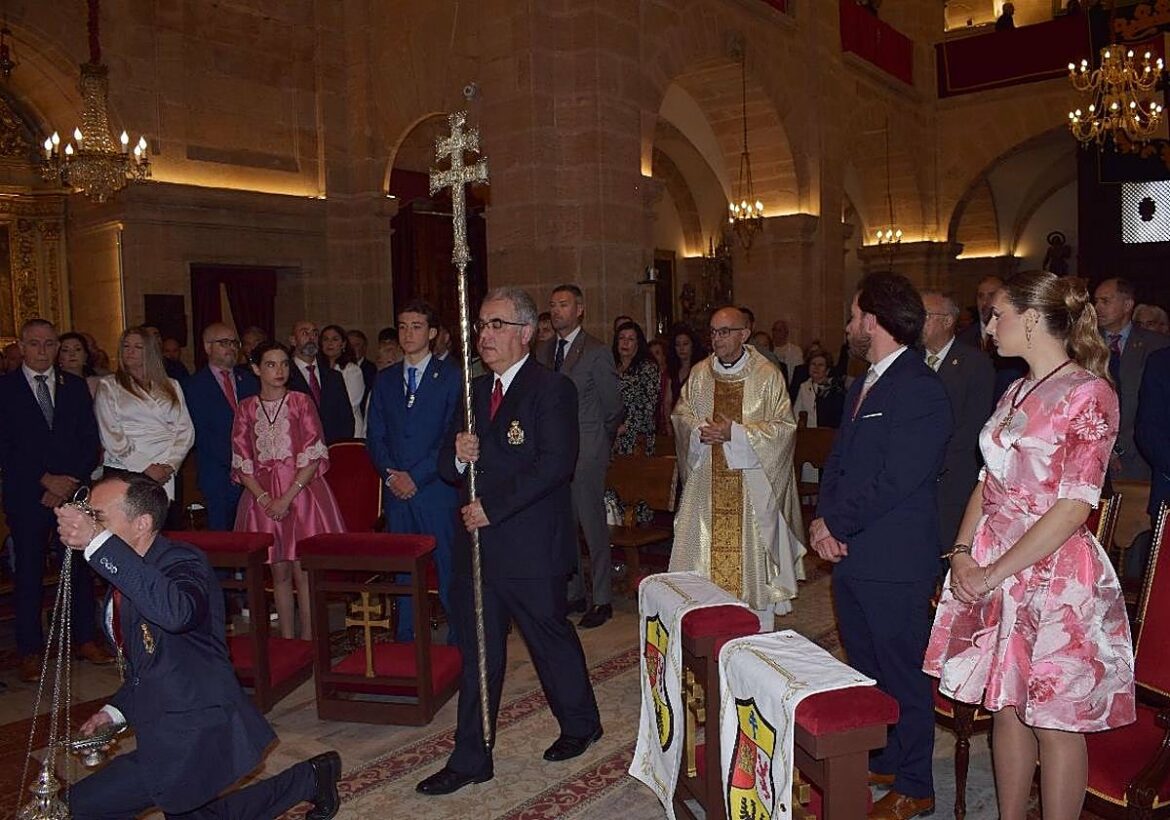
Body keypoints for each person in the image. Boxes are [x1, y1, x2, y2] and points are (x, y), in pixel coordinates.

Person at [925, 272, 1135, 820]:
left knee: (1053, 719)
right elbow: (986, 480)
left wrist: (991, 572)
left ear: (1034, 319)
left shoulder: (1090, 392)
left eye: (998, 315)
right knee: (1007, 707)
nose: (989, 326)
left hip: (1054, 570)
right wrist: (963, 553)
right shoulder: (1016, 389)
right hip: (995, 561)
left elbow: (1073, 507)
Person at [56, 473, 342, 820]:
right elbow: (151, 665)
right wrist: (114, 713)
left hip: (198, 730)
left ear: (142, 523)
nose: (90, 525)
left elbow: (175, 613)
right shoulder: (125, 573)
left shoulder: (183, 562)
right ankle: (311, 778)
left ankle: (310, 778)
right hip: (165, 726)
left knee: (73, 808)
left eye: (98, 518)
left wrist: (99, 543)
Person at [416, 287, 602, 796]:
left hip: (530, 545)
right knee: (480, 652)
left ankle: (581, 723)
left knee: (548, 640)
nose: (484, 335)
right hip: (479, 549)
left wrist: (492, 508)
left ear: (524, 333)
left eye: (496, 324)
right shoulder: (472, 392)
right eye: (480, 325)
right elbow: (444, 466)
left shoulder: (551, 390)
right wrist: (458, 455)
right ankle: (472, 756)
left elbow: (554, 466)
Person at [811, 272, 952, 820]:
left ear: (874, 320)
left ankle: (917, 783)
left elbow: (898, 479)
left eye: (852, 316)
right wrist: (822, 519)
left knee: (904, 672)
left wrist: (837, 525)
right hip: (853, 552)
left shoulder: (919, 388)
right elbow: (840, 462)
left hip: (893, 558)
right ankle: (891, 755)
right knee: (866, 665)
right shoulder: (864, 382)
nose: (848, 326)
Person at [670, 306, 804, 626]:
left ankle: (756, 622)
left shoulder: (766, 374)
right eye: (713, 332)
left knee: (752, 557)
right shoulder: (701, 374)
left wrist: (736, 433)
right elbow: (681, 416)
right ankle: (706, 625)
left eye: (725, 332)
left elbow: (784, 428)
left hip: (751, 489)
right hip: (707, 486)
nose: (717, 339)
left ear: (744, 334)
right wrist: (699, 430)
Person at [0, 318, 111, 683]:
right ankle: (31, 648)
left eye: (50, 344)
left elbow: (89, 442)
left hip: (71, 491)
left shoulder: (75, 386)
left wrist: (67, 482)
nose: (44, 351)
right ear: (22, 346)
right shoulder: (6, 389)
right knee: (29, 572)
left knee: (78, 567)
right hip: (27, 495)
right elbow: (7, 447)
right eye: (35, 344)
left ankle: (84, 638)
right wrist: (43, 480)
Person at [232, 341, 346, 640]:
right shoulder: (246, 407)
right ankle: (286, 640)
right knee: (278, 571)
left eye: (284, 363)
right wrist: (264, 498)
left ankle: (309, 641)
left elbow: (313, 452)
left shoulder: (300, 402)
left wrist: (287, 497)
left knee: (303, 571)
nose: (279, 370)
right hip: (262, 497)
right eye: (271, 364)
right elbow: (242, 460)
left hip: (301, 493)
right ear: (256, 368)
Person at [366, 299, 461, 643]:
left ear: (432, 333)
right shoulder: (386, 378)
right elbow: (374, 434)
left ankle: (457, 644)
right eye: (403, 326)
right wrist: (391, 475)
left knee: (449, 569)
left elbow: (453, 436)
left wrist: (416, 476)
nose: (408, 333)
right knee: (404, 571)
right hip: (397, 493)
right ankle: (406, 640)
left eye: (416, 326)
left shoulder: (451, 376)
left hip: (435, 490)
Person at [535, 284, 623, 628]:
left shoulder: (596, 351)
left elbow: (612, 406)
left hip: (586, 448)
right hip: (553, 451)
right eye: (553, 305)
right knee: (563, 524)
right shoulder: (543, 350)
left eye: (564, 305)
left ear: (580, 309)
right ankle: (574, 592)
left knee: (592, 524)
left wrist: (596, 437)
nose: (557, 311)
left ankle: (602, 598)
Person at [921, 290, 995, 555]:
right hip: (914, 480)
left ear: (947, 321)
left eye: (925, 316)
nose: (917, 322)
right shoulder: (910, 361)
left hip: (953, 476)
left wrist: (928, 461)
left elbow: (972, 425)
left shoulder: (974, 363)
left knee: (947, 549)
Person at [94, 327, 194, 503]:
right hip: (127, 467)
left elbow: (185, 430)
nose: (130, 351)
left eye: (138, 347)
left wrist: (170, 465)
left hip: (166, 468)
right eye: (126, 346)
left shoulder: (171, 385)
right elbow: (111, 434)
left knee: (167, 526)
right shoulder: (109, 385)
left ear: (150, 351)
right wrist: (145, 467)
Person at [184, 323, 259, 530]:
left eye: (235, 343)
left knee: (251, 530)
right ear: (208, 347)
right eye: (224, 343)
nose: (232, 348)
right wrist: (236, 462)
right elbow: (202, 433)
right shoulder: (194, 386)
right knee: (223, 533)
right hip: (218, 473)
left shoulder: (250, 381)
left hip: (253, 472)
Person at [1095, 277, 1170, 480]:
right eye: (1096, 301)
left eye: (1105, 301)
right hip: (1094, 454)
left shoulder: (1157, 345)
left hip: (1142, 453)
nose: (1097, 308)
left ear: (1127, 304)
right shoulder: (1084, 345)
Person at [285, 320, 355, 444]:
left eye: (315, 334)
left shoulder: (334, 377)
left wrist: (337, 448)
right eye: (305, 333)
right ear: (293, 340)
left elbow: (346, 420)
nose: (311, 338)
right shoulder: (285, 377)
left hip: (333, 451)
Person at [612, 320, 660, 456]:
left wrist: (624, 427)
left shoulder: (647, 367)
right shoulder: (610, 366)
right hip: (611, 434)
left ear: (638, 344)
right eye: (621, 338)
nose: (625, 343)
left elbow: (647, 406)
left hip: (637, 435)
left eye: (630, 339)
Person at [320, 323, 367, 439]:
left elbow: (351, 402)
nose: (330, 343)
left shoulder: (352, 370)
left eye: (335, 339)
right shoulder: (318, 369)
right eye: (326, 339)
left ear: (343, 344)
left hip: (348, 429)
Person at [792, 349, 846, 430]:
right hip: (808, 434)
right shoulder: (804, 386)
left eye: (820, 365)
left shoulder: (835, 388)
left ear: (827, 370)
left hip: (828, 434)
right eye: (813, 364)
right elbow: (796, 413)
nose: (816, 367)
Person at [667, 326, 705, 405]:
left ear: (693, 345)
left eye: (685, 344)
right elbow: (667, 402)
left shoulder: (701, 370)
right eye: (678, 345)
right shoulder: (672, 371)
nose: (681, 348)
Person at [56, 331, 101, 397]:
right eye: (65, 350)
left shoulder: (98, 383)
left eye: (77, 349)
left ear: (85, 355)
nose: (72, 354)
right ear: (58, 357)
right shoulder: (54, 384)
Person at [647, 337, 673, 434]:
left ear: (664, 356)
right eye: (651, 354)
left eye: (657, 353)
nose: (653, 357)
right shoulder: (647, 377)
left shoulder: (670, 376)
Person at [348, 328, 378, 398]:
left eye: (356, 345)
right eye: (350, 345)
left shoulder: (371, 369)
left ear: (364, 347)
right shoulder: (339, 367)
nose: (352, 349)